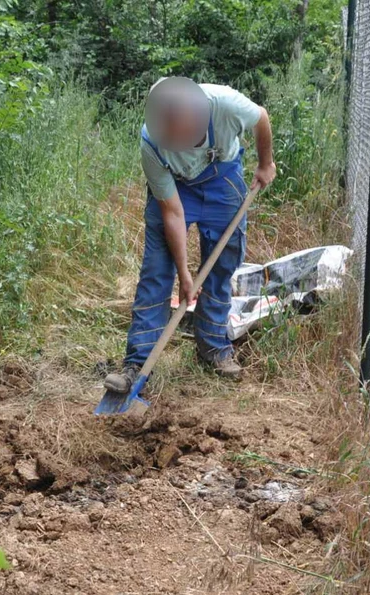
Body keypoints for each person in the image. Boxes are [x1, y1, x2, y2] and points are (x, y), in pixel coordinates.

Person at [104, 77, 276, 394]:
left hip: (222, 179)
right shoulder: (151, 141)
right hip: (175, 188)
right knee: (156, 271)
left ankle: (213, 349)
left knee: (221, 265)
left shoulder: (225, 105)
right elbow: (172, 211)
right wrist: (184, 274)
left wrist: (266, 164)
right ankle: (138, 363)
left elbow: (261, 117)